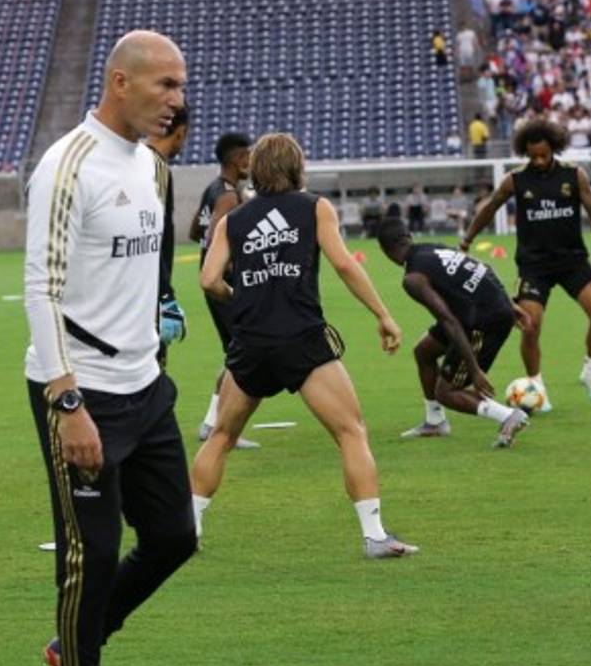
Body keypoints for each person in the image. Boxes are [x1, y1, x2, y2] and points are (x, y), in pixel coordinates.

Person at [23, 29, 194, 666]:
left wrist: (157, 347)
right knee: (86, 558)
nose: (176, 101)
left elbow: (149, 277)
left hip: (145, 388)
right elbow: (42, 289)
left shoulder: (154, 171)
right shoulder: (67, 167)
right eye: (164, 86)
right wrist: (68, 404)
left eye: (180, 87)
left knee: (174, 537)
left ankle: (74, 646)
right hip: (80, 393)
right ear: (120, 83)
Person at [191, 132, 417, 559]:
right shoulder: (314, 207)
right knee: (351, 432)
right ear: (297, 168)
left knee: (220, 435)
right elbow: (344, 264)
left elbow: (207, 279)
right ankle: (374, 535)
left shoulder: (233, 220)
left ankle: (190, 527)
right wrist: (383, 315)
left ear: (255, 169)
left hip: (250, 343)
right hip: (301, 340)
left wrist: (238, 297)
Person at [459, 118, 591, 412]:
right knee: (530, 326)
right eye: (533, 156)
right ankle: (536, 385)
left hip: (572, 261)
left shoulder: (574, 175)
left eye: (544, 154)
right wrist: (466, 241)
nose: (539, 161)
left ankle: (590, 372)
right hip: (533, 266)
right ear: (525, 152)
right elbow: (489, 209)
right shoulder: (516, 180)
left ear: (554, 148)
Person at [376, 217, 531, 446]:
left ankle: (509, 416)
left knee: (446, 392)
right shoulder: (431, 247)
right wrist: (509, 302)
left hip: (484, 321)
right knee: (424, 352)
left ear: (385, 251)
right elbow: (484, 267)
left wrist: (474, 369)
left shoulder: (413, 279)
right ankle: (435, 422)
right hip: (476, 309)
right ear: (409, 236)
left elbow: (448, 320)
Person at [189, 132, 260, 448]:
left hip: (212, 281)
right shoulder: (228, 196)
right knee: (245, 354)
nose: (250, 162)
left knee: (237, 353)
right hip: (225, 284)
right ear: (236, 159)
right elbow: (222, 234)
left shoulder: (212, 189)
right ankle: (218, 427)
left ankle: (213, 424)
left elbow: (195, 231)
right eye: (247, 156)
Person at [145, 103, 191, 366]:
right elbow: (155, 238)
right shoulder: (157, 169)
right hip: (146, 299)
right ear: (180, 131)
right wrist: (166, 297)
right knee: (151, 376)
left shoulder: (133, 160)